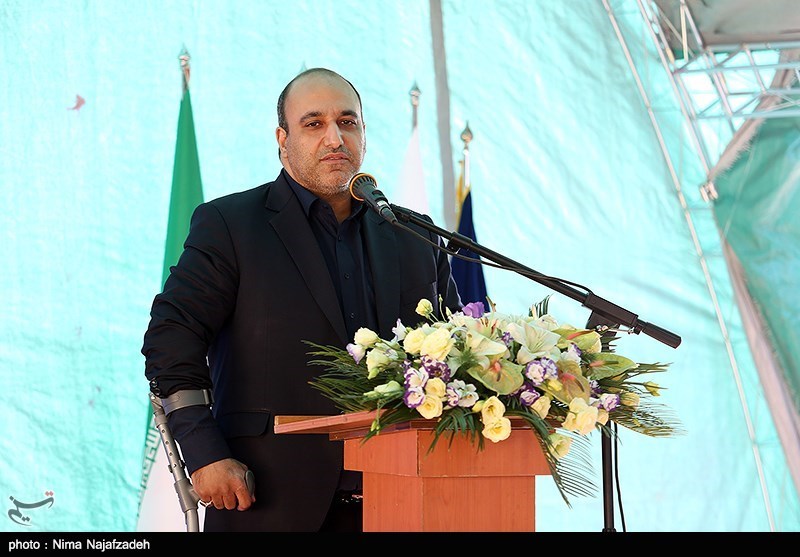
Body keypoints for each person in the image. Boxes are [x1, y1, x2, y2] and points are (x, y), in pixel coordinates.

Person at [142, 67, 462, 532]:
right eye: (314, 124)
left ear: (364, 134)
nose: (335, 138)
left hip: (404, 501)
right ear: (282, 139)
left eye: (347, 122)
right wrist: (204, 452)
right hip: (268, 500)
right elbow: (172, 338)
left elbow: (457, 351)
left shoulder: (413, 235)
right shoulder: (231, 225)